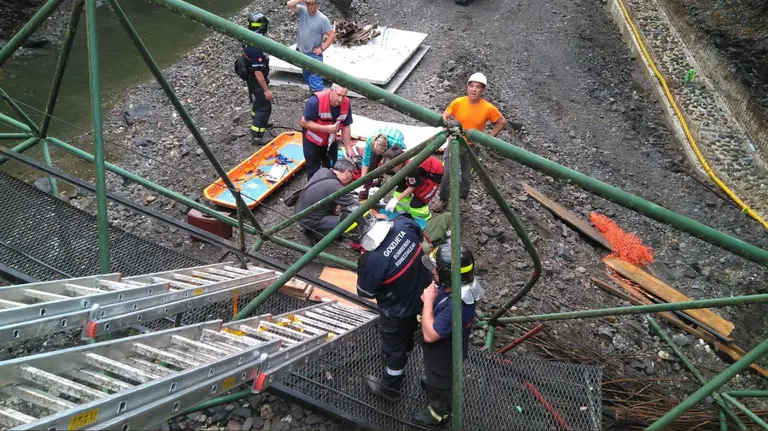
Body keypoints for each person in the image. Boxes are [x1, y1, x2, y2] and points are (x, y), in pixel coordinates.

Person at [346, 209, 432, 401]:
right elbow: (419, 234)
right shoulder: (403, 225)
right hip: (426, 296)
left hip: (398, 310)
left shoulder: (370, 261)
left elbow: (366, 292)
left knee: (394, 349)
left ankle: (391, 388)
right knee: (412, 335)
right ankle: (408, 350)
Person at [414, 244, 484, 427]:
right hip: (447, 346)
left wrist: (428, 303)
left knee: (440, 383)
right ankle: (434, 384)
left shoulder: (458, 306)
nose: (433, 273)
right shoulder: (454, 287)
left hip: (445, 355)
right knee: (434, 375)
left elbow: (430, 335)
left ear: (447, 275)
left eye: (436, 270)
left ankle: (438, 415)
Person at [431, 72, 507, 212]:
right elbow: (444, 116)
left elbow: (501, 122)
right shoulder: (458, 102)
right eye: (471, 86)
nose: (474, 89)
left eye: (478, 87)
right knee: (447, 173)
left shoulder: (488, 108)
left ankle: (461, 198)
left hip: (472, 148)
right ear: (467, 87)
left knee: (466, 175)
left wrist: (488, 137)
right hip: (455, 143)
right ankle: (443, 198)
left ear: (483, 90)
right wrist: (447, 128)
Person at [293, 157, 357, 242]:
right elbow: (355, 205)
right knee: (351, 221)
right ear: (346, 172)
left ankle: (316, 228)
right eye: (351, 174)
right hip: (309, 219)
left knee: (338, 210)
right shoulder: (335, 187)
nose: (351, 177)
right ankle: (320, 234)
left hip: (299, 211)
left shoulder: (323, 170)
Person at [300, 83, 355, 181]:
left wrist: (348, 148)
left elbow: (346, 126)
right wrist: (325, 129)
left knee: (332, 167)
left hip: (330, 141)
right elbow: (304, 122)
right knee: (313, 170)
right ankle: (314, 192)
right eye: (338, 95)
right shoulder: (315, 101)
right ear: (331, 91)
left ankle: (328, 187)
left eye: (343, 96)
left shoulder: (346, 103)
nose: (340, 100)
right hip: (312, 141)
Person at [380, 147, 443, 221]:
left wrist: (397, 199)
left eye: (392, 167)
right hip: (418, 173)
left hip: (433, 176)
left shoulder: (412, 167)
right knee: (398, 193)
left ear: (400, 163)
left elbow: (413, 186)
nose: (391, 169)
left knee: (416, 205)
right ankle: (406, 215)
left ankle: (425, 220)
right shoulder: (398, 159)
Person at [287, 0, 335, 92]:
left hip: (313, 55)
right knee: (307, 76)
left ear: (316, 4)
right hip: (302, 52)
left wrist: (322, 48)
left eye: (311, 4)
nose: (309, 7)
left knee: (316, 80)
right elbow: (289, 4)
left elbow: (332, 35)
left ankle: (319, 101)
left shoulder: (322, 19)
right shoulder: (302, 11)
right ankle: (313, 96)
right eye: (307, 4)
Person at [242, 13, 273, 146]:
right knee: (265, 106)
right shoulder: (256, 47)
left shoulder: (248, 38)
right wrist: (266, 90)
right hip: (257, 80)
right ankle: (257, 135)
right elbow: (258, 72)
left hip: (251, 79)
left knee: (259, 102)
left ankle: (257, 120)